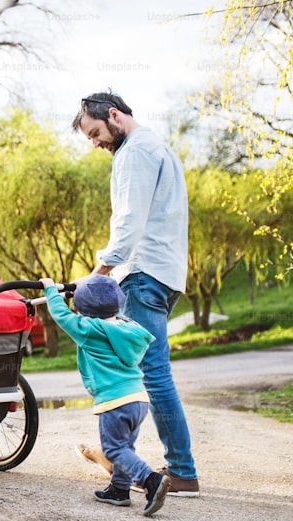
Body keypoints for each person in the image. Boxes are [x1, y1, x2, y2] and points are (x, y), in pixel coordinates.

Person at [70, 90, 200, 497]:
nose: (96, 144)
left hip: (143, 273)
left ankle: (181, 471)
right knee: (152, 371)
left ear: (114, 115)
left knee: (151, 374)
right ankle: (168, 465)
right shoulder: (158, 146)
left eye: (95, 133)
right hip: (165, 273)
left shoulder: (133, 153)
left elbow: (128, 224)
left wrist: (99, 273)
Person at [41, 275, 171, 516]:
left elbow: (61, 315)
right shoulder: (126, 326)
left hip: (115, 402)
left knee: (112, 450)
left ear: (83, 310)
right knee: (125, 447)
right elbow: (102, 300)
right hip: (138, 399)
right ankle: (119, 490)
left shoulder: (90, 330)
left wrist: (51, 290)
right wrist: (87, 289)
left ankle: (150, 480)